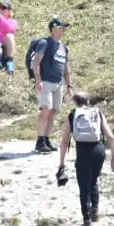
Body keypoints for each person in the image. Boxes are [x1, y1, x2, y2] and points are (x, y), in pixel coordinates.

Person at [55, 89, 114, 226]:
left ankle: (87, 222)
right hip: (98, 150)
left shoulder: (72, 115)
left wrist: (61, 163)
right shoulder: (97, 113)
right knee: (93, 180)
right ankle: (95, 211)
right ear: (88, 102)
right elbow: (111, 137)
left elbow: (64, 141)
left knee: (83, 187)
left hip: (83, 151)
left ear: (75, 103)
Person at [26, 18, 72, 153]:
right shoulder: (44, 43)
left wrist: (69, 85)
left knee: (53, 112)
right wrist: (38, 80)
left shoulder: (63, 47)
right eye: (60, 27)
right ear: (53, 29)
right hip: (45, 81)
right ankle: (40, 140)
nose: (63, 30)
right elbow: (36, 62)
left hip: (58, 83)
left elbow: (65, 68)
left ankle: (46, 139)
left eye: (64, 28)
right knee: (46, 109)